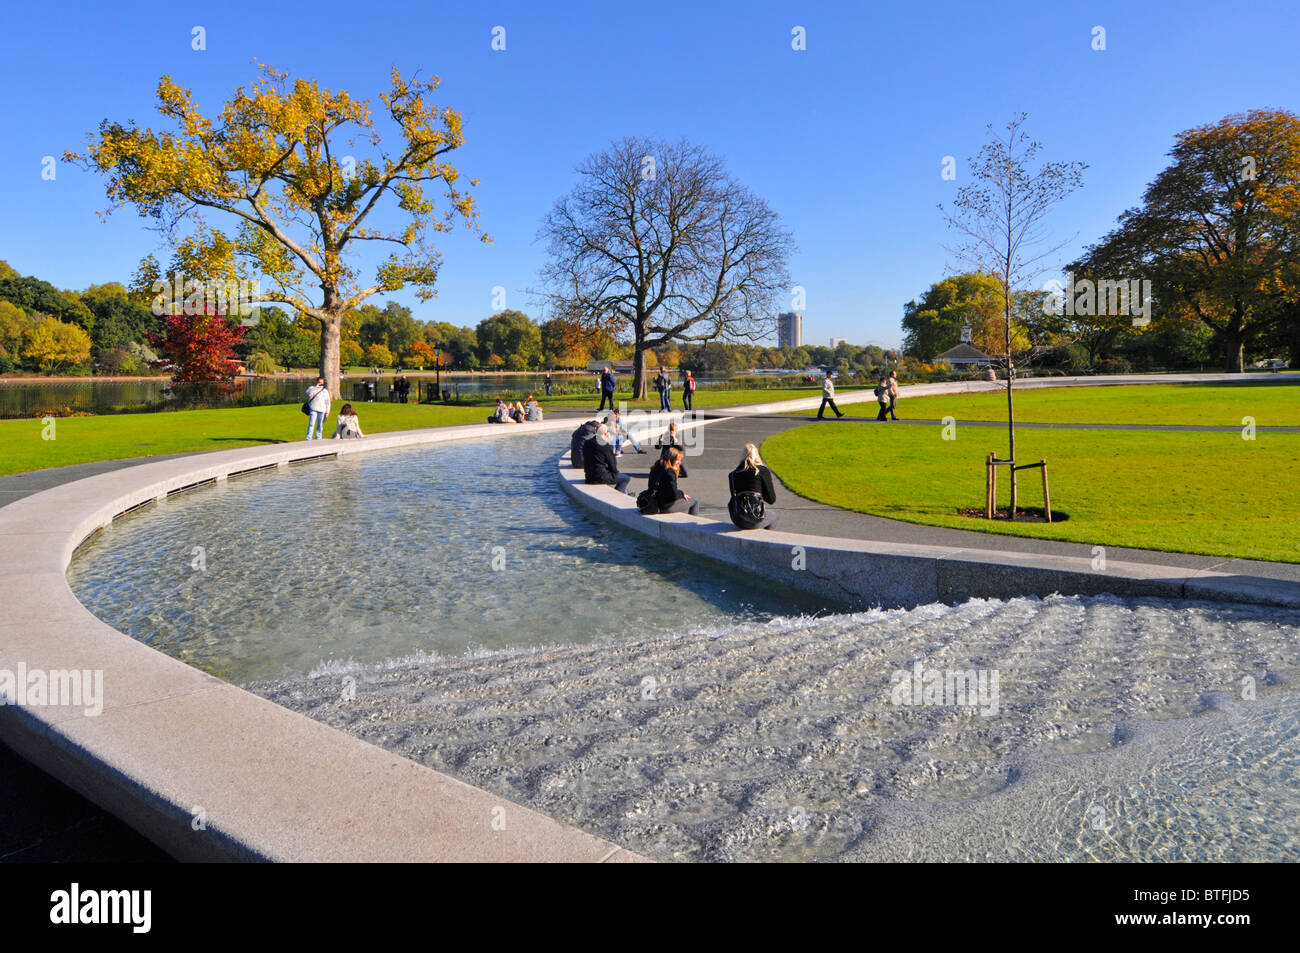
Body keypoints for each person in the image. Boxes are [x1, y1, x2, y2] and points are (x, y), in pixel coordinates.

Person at [728, 443, 778, 530]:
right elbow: (771, 499)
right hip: (756, 517)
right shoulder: (762, 471)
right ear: (757, 455)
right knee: (773, 516)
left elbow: (733, 498)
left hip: (738, 518)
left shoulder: (733, 474)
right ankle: (767, 541)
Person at [643, 446, 698, 515]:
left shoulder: (657, 466)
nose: (680, 463)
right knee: (694, 502)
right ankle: (691, 525)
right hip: (665, 506)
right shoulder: (670, 472)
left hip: (654, 500)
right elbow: (673, 495)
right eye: (678, 460)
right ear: (672, 459)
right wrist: (682, 494)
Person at [583, 423, 632, 494]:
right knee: (625, 478)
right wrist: (615, 474)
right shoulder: (606, 446)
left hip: (589, 476)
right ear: (606, 434)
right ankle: (618, 494)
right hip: (599, 477)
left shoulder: (587, 443)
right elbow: (613, 464)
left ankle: (624, 492)